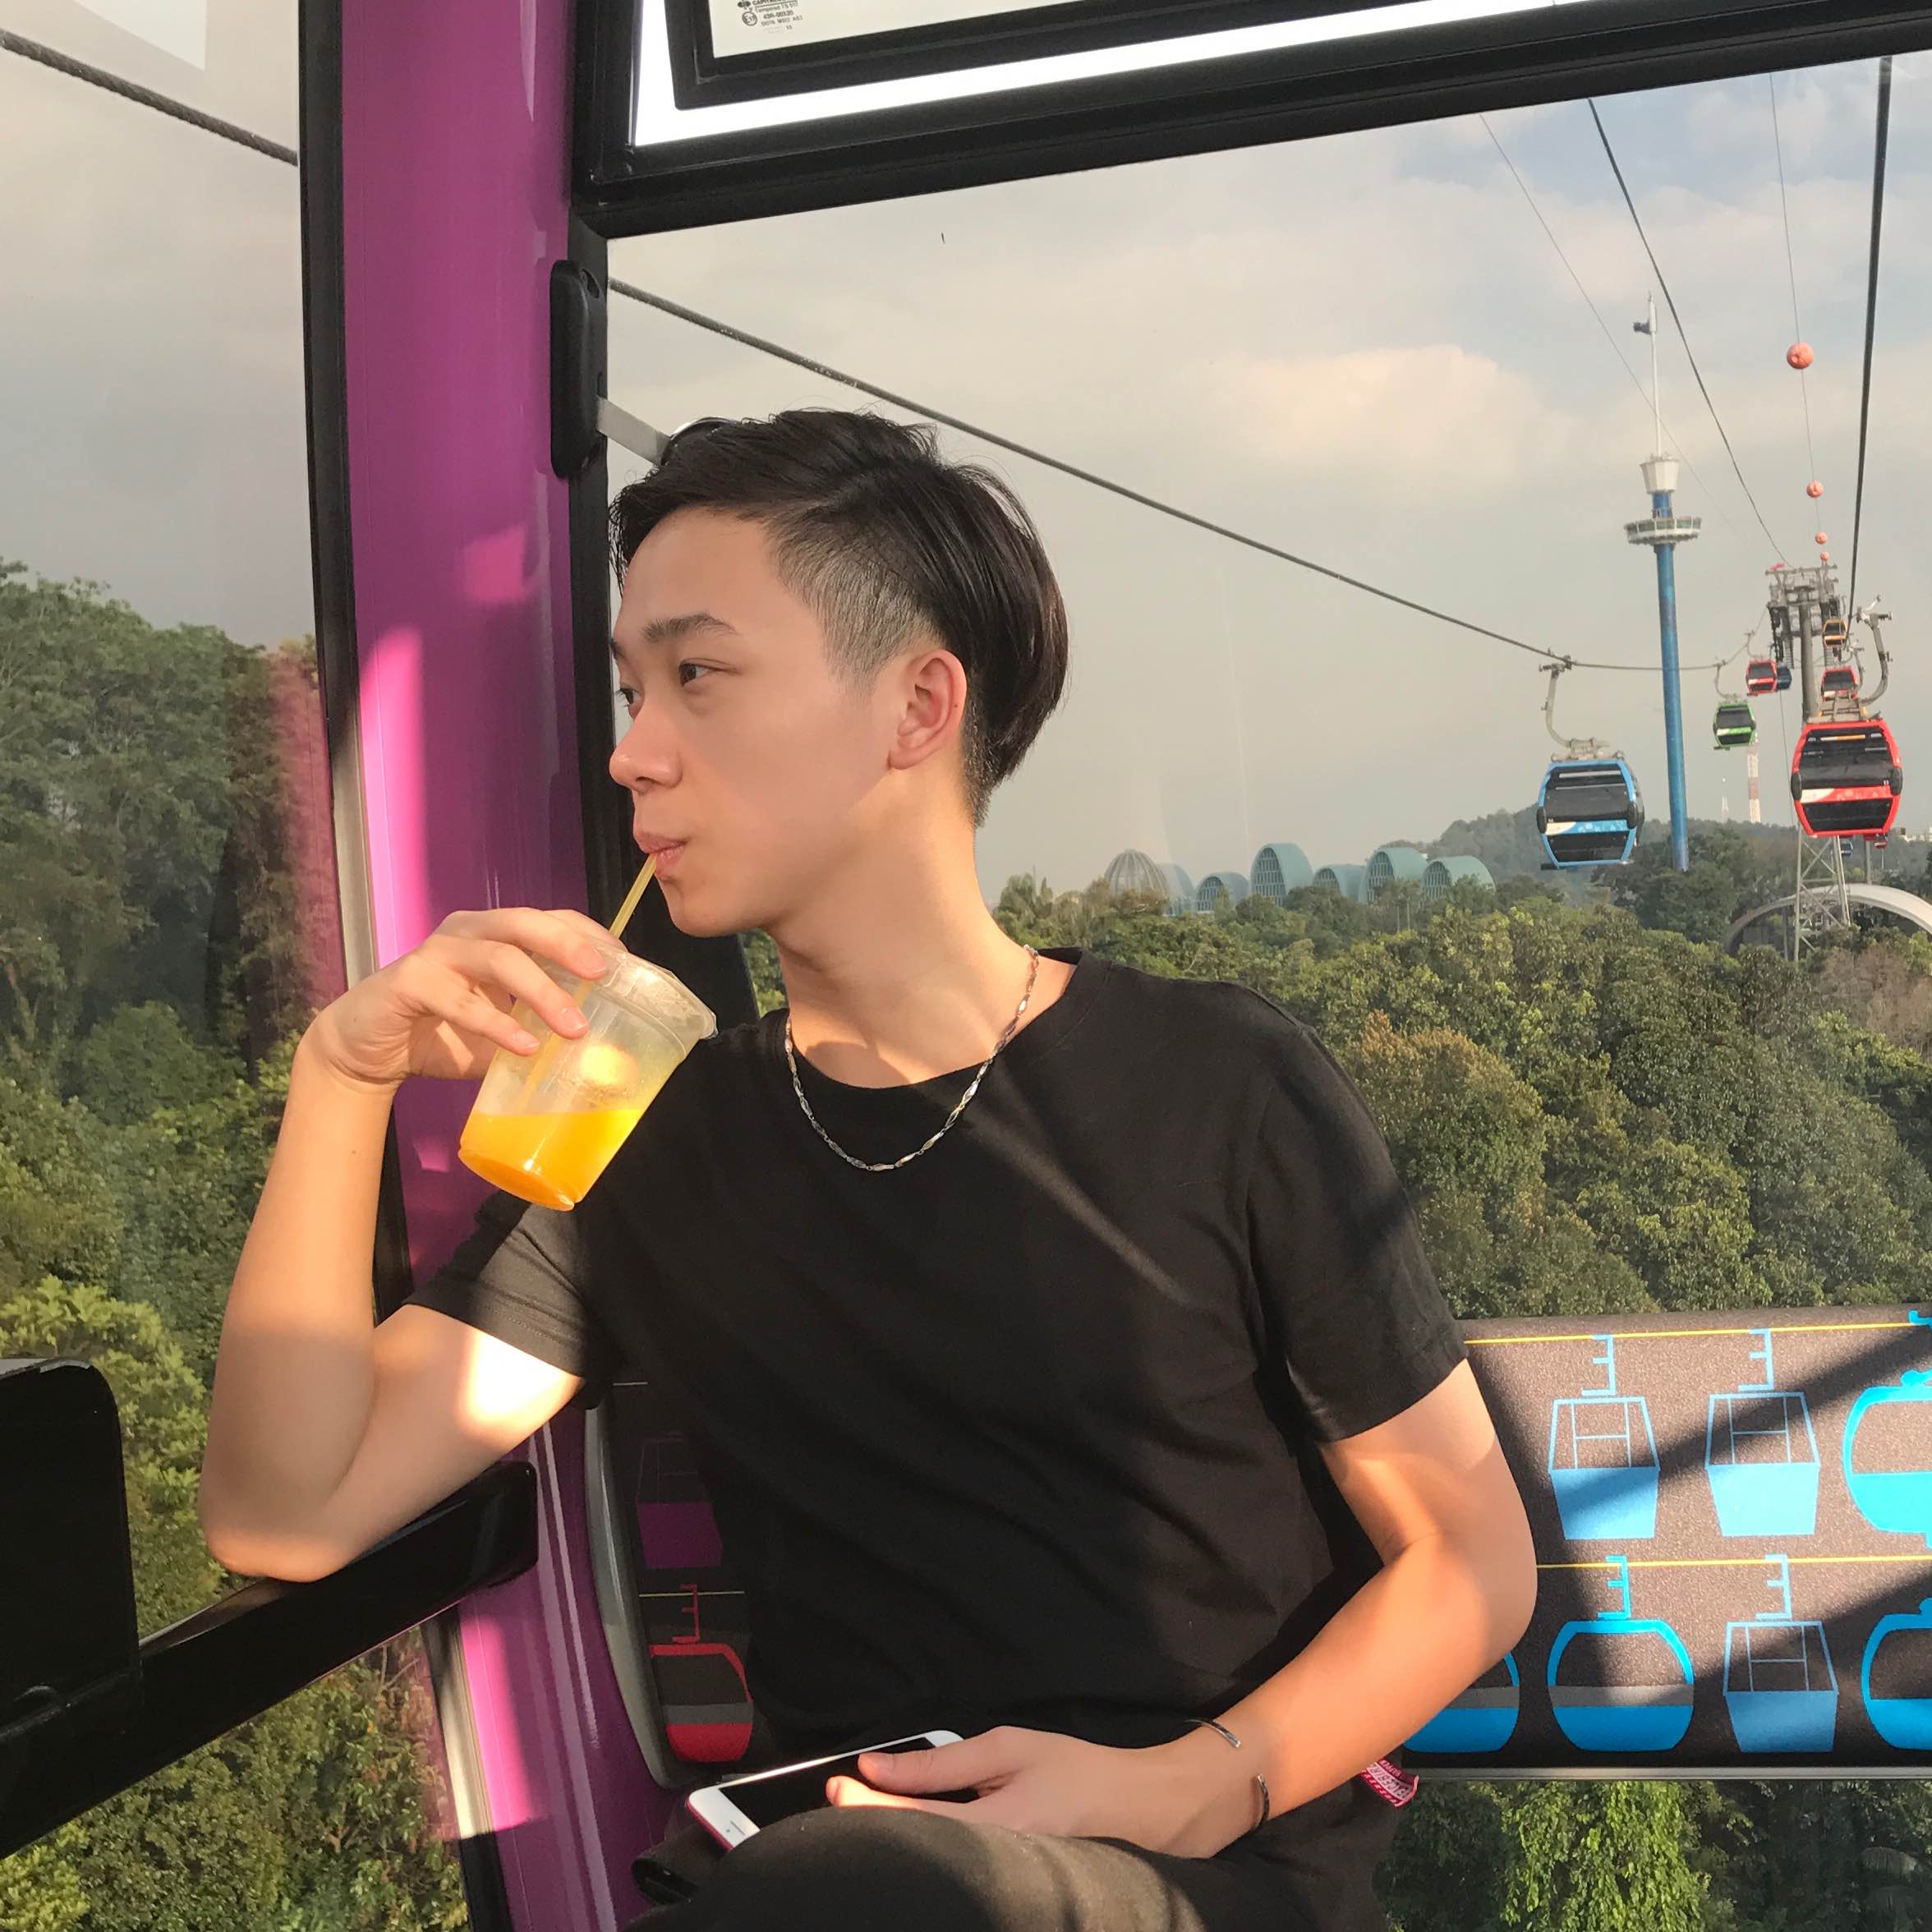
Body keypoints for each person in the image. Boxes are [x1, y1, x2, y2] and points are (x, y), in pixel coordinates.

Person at [200, 409, 1535, 1931]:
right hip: (838, 1872)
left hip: (1201, 1878)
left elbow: (1470, 1558)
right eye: (632, 691)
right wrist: (344, 1076)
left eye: (699, 678)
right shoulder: (653, 1141)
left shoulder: (1217, 1085)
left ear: (916, 707)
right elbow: (287, 1509)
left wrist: (1187, 1784)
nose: (634, 752)